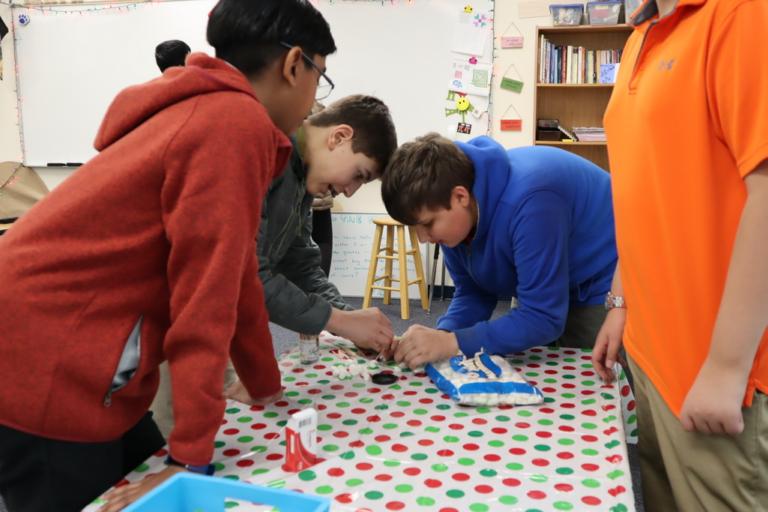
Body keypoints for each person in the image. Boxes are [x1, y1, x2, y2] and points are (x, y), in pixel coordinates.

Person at [0, 1, 336, 511]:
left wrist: (264, 384)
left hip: (80, 354)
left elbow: (239, 274)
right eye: (320, 78)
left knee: (148, 476)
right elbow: (206, 302)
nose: (314, 100)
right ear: (294, 64)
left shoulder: (212, 110)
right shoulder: (233, 123)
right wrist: (188, 461)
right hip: (46, 361)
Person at [592, 0, 768, 509]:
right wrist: (621, 301)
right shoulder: (638, 36)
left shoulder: (740, 15)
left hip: (716, 369)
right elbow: (646, 189)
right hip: (652, 356)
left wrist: (727, 366)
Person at [381, 133, 617, 368]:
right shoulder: (455, 213)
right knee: (526, 365)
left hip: (603, 280)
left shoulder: (531, 202)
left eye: (428, 224)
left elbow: (542, 317)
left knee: (591, 374)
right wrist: (441, 336)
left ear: (460, 196)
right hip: (546, 288)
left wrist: (453, 342)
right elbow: (474, 294)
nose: (423, 239)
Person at [224, 95, 398, 403]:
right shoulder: (263, 155)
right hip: (166, 316)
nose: (349, 190)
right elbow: (246, 275)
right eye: (359, 175)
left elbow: (300, 265)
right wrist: (338, 320)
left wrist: (351, 319)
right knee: (176, 421)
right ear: (339, 137)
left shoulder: (302, 179)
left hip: (220, 321)